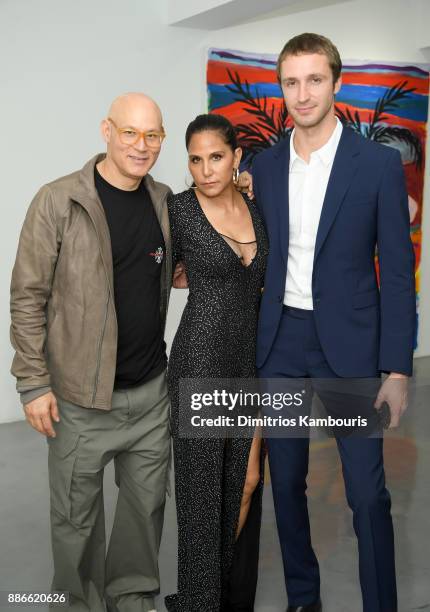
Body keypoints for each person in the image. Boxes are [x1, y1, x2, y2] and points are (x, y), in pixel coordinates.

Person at [252, 34, 415, 612]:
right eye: (291, 82)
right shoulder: (264, 166)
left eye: (314, 79)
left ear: (336, 83)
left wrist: (397, 366)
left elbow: (398, 273)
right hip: (280, 345)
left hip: (348, 348)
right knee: (287, 488)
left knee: (367, 492)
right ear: (282, 89)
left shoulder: (375, 166)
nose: (303, 93)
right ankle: (303, 599)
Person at [10, 93, 173, 612]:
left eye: (152, 135)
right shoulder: (59, 200)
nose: (141, 146)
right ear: (106, 130)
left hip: (150, 396)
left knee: (144, 513)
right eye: (130, 132)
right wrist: (33, 383)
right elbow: (27, 295)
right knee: (76, 522)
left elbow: (195, 260)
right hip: (80, 400)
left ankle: (132, 599)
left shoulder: (166, 200)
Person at [165, 114, 268, 612]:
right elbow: (143, 270)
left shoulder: (257, 206)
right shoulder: (178, 210)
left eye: (216, 157)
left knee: (245, 483)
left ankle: (222, 596)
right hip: (199, 364)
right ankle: (198, 602)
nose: (206, 169)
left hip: (246, 365)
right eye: (196, 159)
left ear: (236, 158)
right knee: (201, 501)